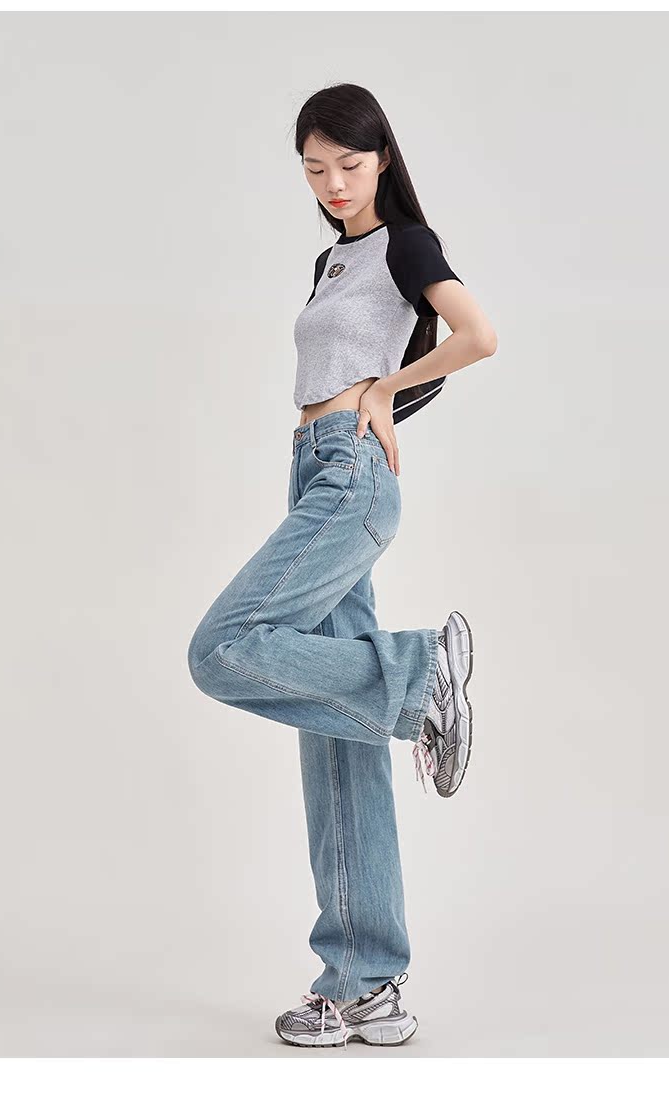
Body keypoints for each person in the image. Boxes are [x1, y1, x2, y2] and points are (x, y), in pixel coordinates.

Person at [187, 82, 497, 1049]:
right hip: (314, 470)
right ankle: (367, 983)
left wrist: (385, 394)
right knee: (336, 738)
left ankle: (419, 672)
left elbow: (477, 336)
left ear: (383, 159)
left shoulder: (406, 243)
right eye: (315, 169)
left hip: (349, 477)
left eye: (349, 165)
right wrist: (372, 398)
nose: (332, 184)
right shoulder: (330, 260)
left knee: (223, 647)